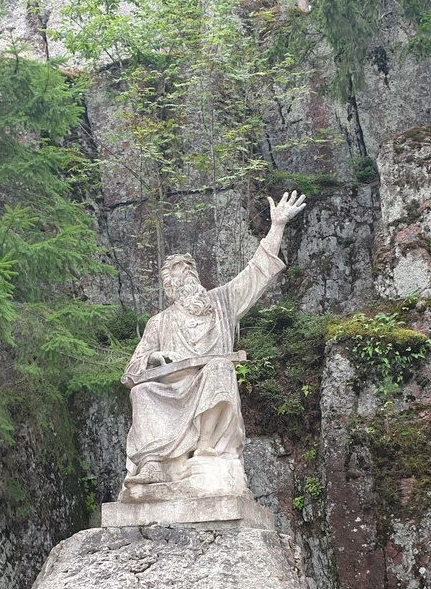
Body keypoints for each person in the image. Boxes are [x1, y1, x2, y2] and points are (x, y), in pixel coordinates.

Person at [119, 190, 307, 501]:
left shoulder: (222, 302)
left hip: (209, 382)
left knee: (219, 368)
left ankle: (205, 449)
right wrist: (154, 357)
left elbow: (257, 272)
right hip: (173, 388)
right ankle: (152, 463)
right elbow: (131, 371)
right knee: (141, 392)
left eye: (189, 274)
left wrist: (277, 226)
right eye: (178, 279)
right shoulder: (159, 322)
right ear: (169, 289)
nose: (186, 281)